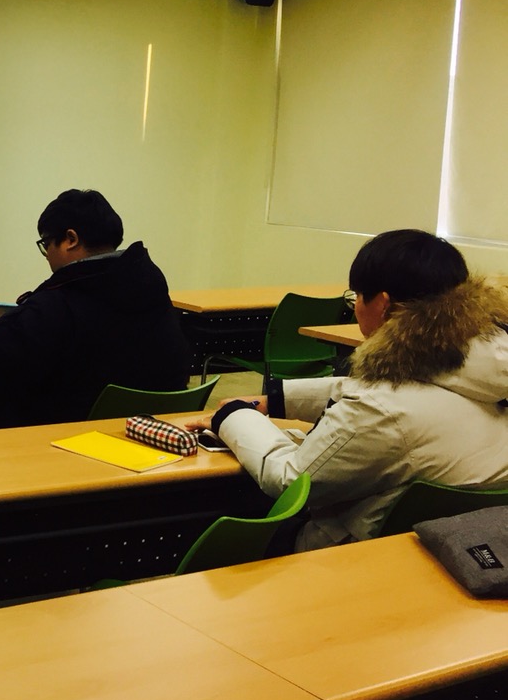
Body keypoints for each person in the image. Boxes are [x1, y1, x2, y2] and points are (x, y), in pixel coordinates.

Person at [198, 229, 508, 551]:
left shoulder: (381, 410)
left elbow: (292, 481)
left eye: (356, 296)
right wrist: (275, 399)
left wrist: (233, 415)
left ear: (384, 305)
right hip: (460, 551)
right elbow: (389, 392)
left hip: (344, 556)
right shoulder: (481, 369)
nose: (355, 305)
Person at [0, 189, 190, 425]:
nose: (47, 256)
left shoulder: (61, 302)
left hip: (61, 440)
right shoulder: (146, 286)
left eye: (46, 244)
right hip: (147, 438)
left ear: (70, 239)